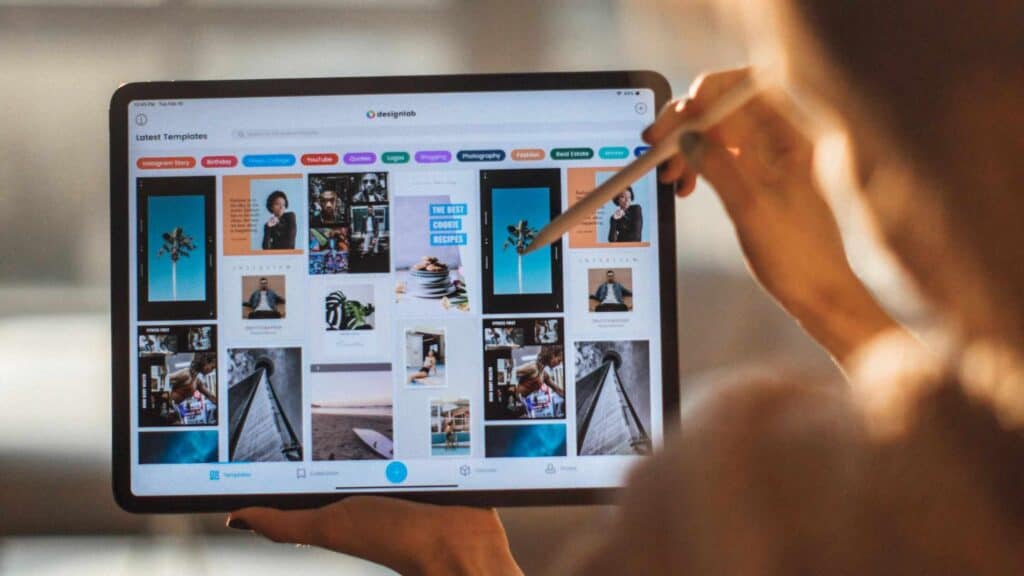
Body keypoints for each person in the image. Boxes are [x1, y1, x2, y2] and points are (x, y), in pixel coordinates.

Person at [226, 1, 1024, 574]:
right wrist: (833, 301)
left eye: (830, 112)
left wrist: (456, 562)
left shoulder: (752, 500)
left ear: (881, 159)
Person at [167, 352, 217, 425]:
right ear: (205, 362)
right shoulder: (186, 374)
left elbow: (211, 397)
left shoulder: (197, 382)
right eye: (212, 367)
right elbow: (163, 379)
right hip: (166, 408)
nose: (211, 371)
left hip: (174, 409)